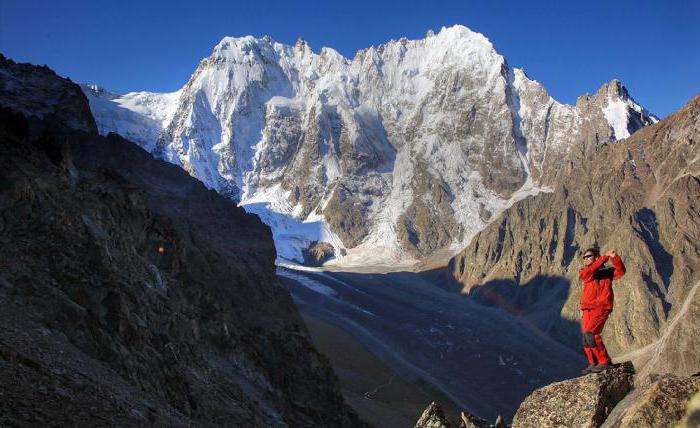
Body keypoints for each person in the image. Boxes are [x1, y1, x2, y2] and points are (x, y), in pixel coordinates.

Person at [578, 247, 626, 374]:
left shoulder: (606, 272)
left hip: (601, 306)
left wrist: (614, 258)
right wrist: (605, 257)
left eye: (588, 256)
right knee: (585, 337)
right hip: (587, 308)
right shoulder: (586, 272)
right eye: (584, 257)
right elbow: (588, 273)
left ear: (596, 257)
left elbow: (621, 272)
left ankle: (604, 362)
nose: (585, 259)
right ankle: (594, 363)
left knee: (591, 334)